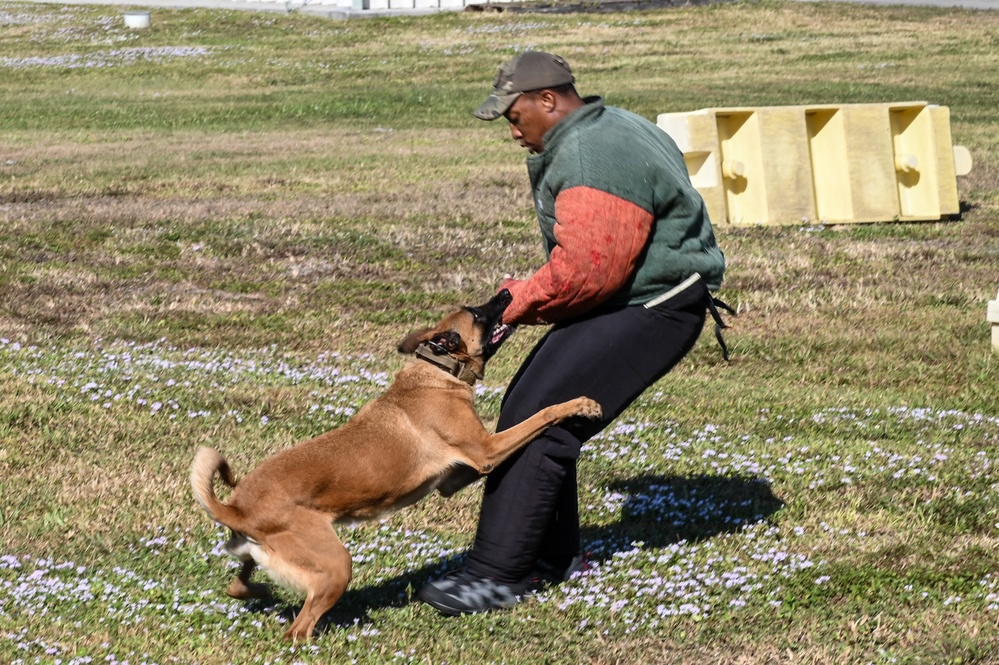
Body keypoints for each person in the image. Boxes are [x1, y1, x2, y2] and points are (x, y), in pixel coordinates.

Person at [417, 50, 728, 615]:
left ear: (548, 100)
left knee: (544, 424)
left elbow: (589, 270)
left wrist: (512, 304)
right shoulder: (615, 124)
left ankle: (498, 575)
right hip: (634, 299)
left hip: (651, 307)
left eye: (515, 117)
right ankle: (551, 558)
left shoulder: (589, 151)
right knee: (529, 409)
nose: (514, 132)